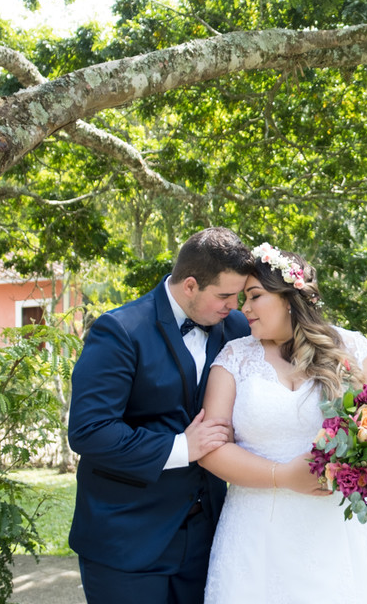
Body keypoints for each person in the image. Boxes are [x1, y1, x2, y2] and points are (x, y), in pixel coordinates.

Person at [67, 226, 255, 604]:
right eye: (224, 296)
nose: (234, 306)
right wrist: (182, 447)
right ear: (190, 285)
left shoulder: (235, 327)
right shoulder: (120, 330)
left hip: (207, 537)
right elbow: (89, 430)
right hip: (126, 538)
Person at [197, 243, 367, 604]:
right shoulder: (234, 358)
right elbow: (210, 449)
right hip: (256, 533)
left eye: (255, 296)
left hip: (337, 533)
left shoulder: (357, 351)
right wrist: (283, 476)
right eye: (243, 298)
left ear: (289, 297)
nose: (244, 308)